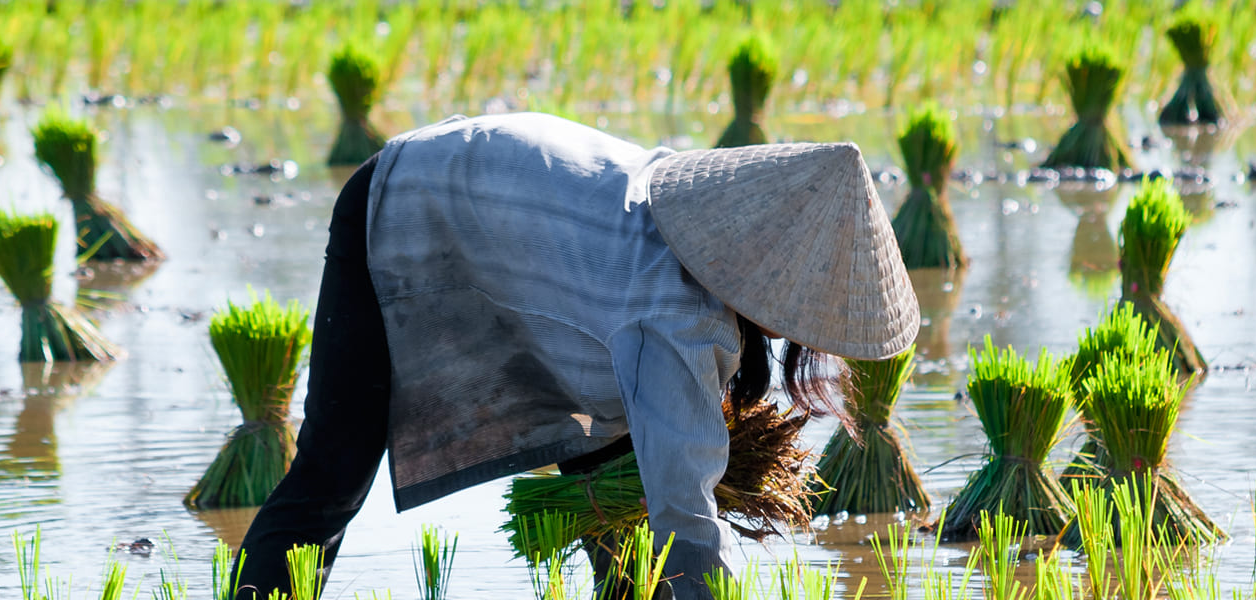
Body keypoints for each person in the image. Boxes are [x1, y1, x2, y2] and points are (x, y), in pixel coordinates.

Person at [232, 113, 918, 599]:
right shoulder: (673, 314)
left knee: (615, 492)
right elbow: (685, 515)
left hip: (499, 219)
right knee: (333, 471)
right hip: (405, 201)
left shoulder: (686, 216)